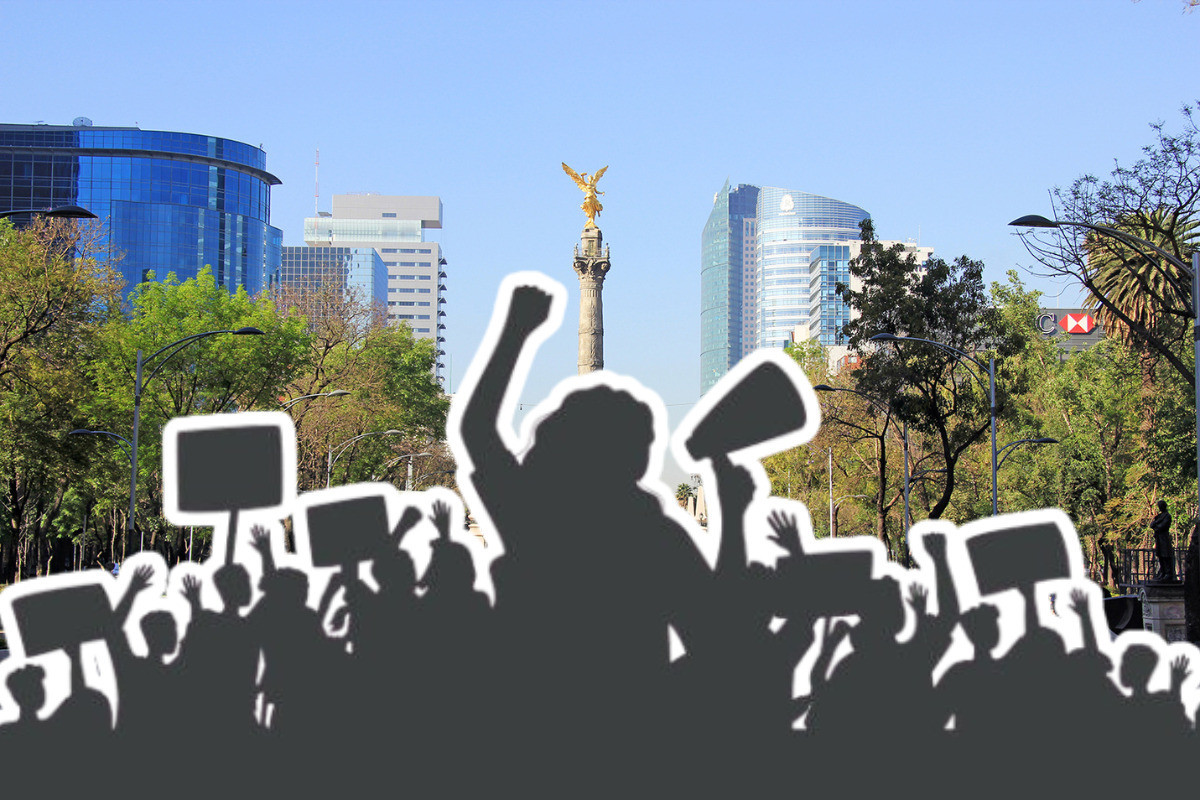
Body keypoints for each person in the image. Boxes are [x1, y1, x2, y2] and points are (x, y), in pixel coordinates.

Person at [1151, 500, 1174, 581]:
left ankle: (1168, 573)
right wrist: (1156, 524)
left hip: (1164, 538)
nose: (1159, 507)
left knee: (1166, 555)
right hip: (1159, 538)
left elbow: (1163, 526)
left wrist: (1156, 526)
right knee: (1160, 555)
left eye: (1160, 506)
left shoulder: (1167, 516)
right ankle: (1163, 572)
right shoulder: (1159, 516)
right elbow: (1152, 525)